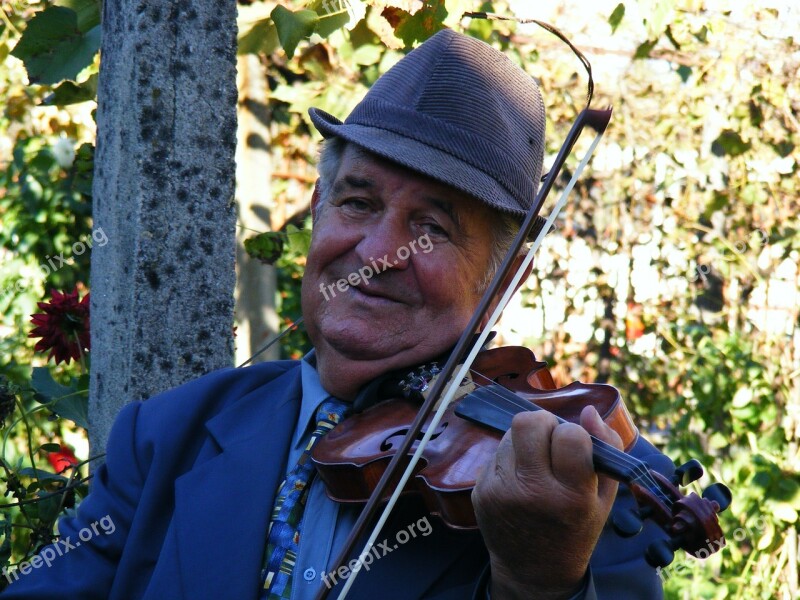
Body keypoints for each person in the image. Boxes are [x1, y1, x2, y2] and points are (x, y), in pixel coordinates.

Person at [3, 29, 673, 600]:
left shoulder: (590, 481)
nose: (380, 252)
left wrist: (538, 580)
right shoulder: (167, 435)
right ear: (319, 207)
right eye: (357, 203)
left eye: (432, 227)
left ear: (504, 280)